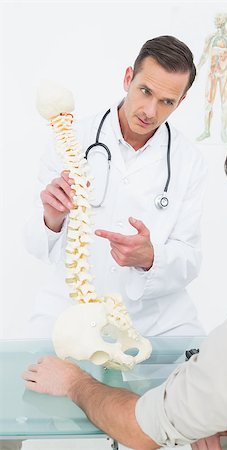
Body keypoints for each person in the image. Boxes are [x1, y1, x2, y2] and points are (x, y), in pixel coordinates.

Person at [23, 118, 227, 450]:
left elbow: (142, 429)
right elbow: (37, 244)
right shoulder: (74, 139)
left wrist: (73, 382)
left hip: (154, 340)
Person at [24, 35, 207, 338]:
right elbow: (33, 244)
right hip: (70, 311)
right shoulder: (71, 138)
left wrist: (151, 257)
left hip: (155, 322)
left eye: (167, 102)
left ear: (181, 101)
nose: (150, 111)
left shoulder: (189, 161)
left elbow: (190, 258)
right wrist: (51, 218)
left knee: (199, 376)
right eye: (145, 91)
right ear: (128, 78)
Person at [196, 12, 227, 143]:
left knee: (224, 103)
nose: (217, 20)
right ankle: (206, 130)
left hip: (224, 74)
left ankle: (223, 131)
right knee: (208, 103)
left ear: (224, 20)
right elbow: (204, 55)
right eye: (216, 18)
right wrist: (197, 69)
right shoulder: (210, 38)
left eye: (219, 18)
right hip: (212, 74)